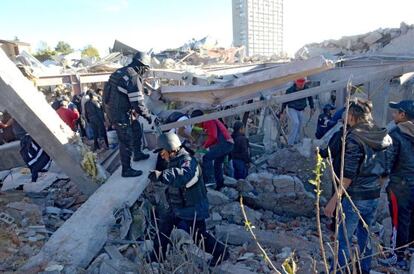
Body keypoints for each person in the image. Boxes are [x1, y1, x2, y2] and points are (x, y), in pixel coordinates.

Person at [324, 99, 392, 274]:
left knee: (344, 238)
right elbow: (385, 171)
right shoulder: (382, 135)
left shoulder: (354, 138)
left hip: (354, 197)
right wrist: (375, 188)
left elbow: (348, 176)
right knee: (366, 235)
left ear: (353, 116)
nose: (343, 116)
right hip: (374, 195)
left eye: (346, 112)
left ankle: (339, 270)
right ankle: (364, 269)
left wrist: (333, 201)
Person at [148, 132, 229, 266]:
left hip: (193, 209)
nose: (161, 155)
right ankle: (156, 258)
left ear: (172, 149)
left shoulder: (188, 161)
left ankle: (221, 253)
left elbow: (184, 175)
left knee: (199, 236)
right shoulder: (173, 160)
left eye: (163, 152)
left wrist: (162, 175)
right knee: (163, 230)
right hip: (178, 208)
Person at [104, 52, 153, 177]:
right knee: (125, 140)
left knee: (136, 129)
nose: (145, 71)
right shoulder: (133, 76)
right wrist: (148, 116)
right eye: (146, 69)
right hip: (119, 113)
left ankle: (137, 154)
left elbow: (120, 92)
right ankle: (126, 170)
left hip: (115, 109)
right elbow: (138, 104)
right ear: (142, 66)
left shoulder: (120, 72)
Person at [378, 100, 414, 270]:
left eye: (396, 112)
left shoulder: (396, 134)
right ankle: (410, 253)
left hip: (400, 186)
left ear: (402, 115)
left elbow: (388, 162)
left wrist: (381, 179)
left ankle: (397, 256)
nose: (393, 115)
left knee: (399, 221)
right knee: (411, 219)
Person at [191, 110, 234, 190]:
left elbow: (213, 136)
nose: (195, 124)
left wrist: (204, 147)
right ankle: (219, 184)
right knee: (217, 164)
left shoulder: (208, 119)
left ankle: (210, 181)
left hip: (224, 143)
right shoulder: (207, 120)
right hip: (228, 144)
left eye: (195, 122)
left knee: (207, 158)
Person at [280, 78, 315, 145]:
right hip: (292, 108)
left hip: (301, 109)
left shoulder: (306, 89)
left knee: (300, 126)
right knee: (296, 123)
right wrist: (282, 111)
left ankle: (296, 141)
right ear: (296, 83)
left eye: (302, 84)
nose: (301, 86)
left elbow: (310, 98)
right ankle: (290, 143)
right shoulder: (290, 90)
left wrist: (312, 107)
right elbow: (285, 101)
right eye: (300, 85)